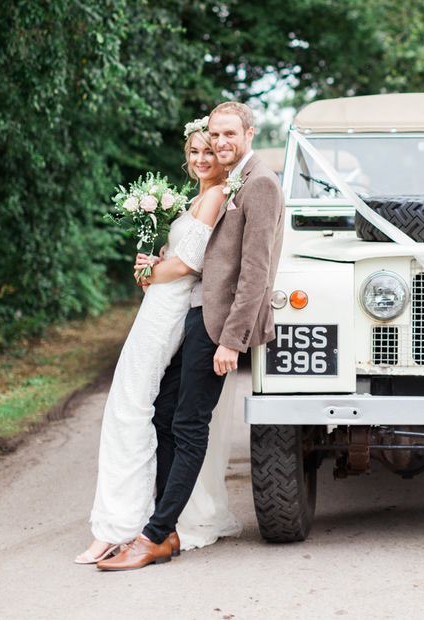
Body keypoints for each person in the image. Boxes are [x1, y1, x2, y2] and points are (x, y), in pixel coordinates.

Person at [97, 101, 285, 571]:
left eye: (228, 135)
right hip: (198, 318)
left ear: (248, 132)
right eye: (215, 135)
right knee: (164, 413)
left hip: (218, 326)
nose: (221, 143)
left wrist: (230, 341)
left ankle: (156, 536)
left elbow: (255, 272)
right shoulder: (233, 179)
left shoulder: (259, 183)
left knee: (188, 424)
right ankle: (169, 523)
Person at [75, 119, 235, 564]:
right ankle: (129, 520)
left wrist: (152, 272)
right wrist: (153, 262)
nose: (202, 158)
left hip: (176, 306)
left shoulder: (219, 196)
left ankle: (121, 527)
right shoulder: (193, 199)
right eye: (194, 152)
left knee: (130, 408)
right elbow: (175, 259)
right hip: (164, 305)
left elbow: (189, 265)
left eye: (209, 150)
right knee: (138, 409)